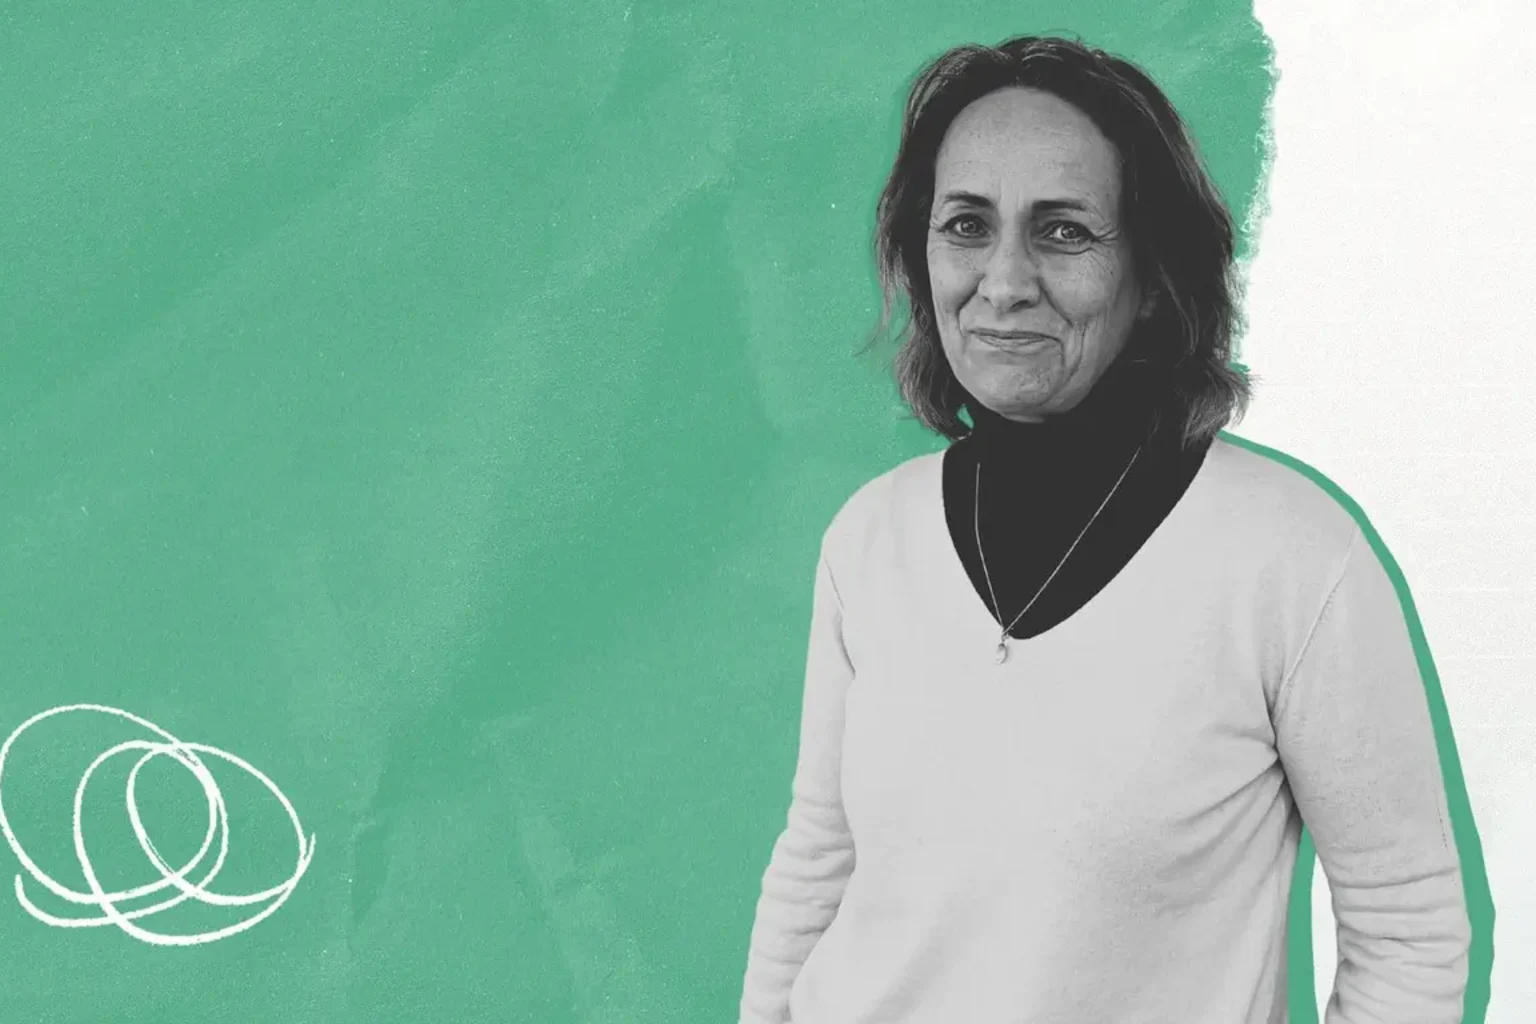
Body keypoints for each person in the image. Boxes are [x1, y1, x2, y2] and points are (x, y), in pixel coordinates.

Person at [737, 35, 1471, 1024]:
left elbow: (1407, 927)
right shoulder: (870, 539)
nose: (1003, 280)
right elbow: (817, 864)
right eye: (966, 225)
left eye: (1064, 231)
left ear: (1155, 274)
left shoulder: (1293, 559)